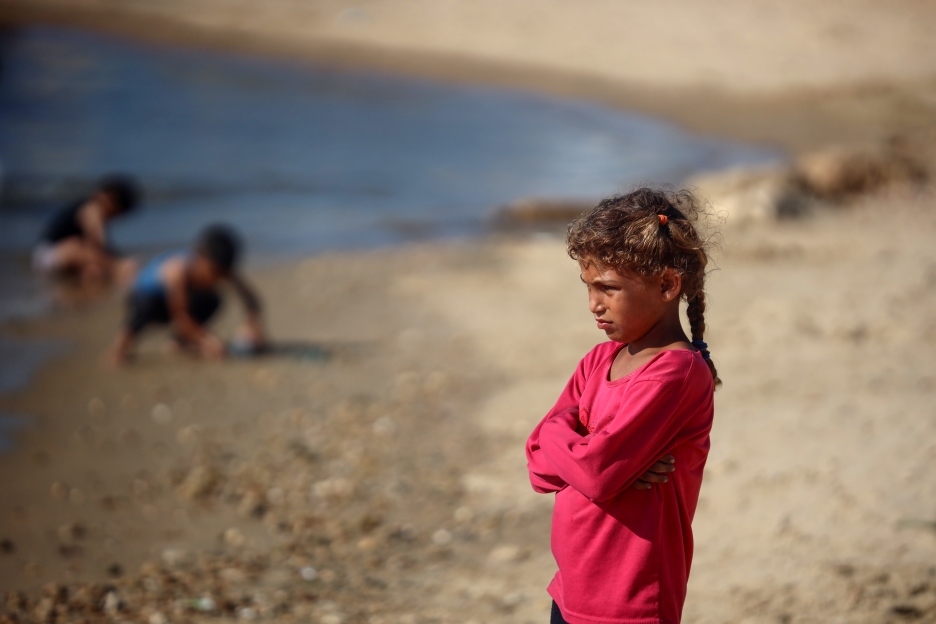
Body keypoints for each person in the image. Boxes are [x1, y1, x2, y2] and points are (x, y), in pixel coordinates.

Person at [525, 188, 720, 624]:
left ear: (667, 284)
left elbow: (595, 474)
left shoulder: (677, 374)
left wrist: (569, 438)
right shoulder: (598, 361)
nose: (593, 305)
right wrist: (594, 454)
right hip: (570, 589)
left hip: (631, 603)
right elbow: (537, 466)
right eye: (588, 287)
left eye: (608, 288)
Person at [107, 224, 265, 365]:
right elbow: (180, 317)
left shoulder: (221, 268)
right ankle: (120, 346)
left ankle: (181, 342)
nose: (216, 279)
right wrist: (207, 340)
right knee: (146, 304)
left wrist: (254, 324)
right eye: (213, 272)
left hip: (179, 305)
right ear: (200, 256)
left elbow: (250, 297)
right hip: (147, 300)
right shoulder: (178, 269)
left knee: (213, 300)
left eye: (221, 274)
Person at [33, 175, 141, 283]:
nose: (115, 217)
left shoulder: (94, 211)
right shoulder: (91, 209)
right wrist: (117, 264)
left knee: (93, 270)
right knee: (78, 247)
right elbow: (97, 244)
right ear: (109, 199)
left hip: (56, 260)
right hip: (50, 255)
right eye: (118, 212)